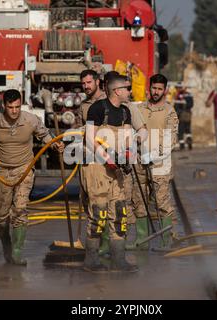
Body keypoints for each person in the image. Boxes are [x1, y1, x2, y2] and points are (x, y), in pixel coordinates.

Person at [0, 89, 64, 266]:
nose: (14, 111)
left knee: (20, 210)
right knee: (0, 216)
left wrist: (54, 144)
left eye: (17, 107)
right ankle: (6, 243)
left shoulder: (31, 120)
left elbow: (45, 135)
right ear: (4, 105)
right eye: (10, 107)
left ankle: (17, 252)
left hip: (24, 169)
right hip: (2, 171)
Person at [81, 75, 138, 272]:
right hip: (98, 169)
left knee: (120, 212)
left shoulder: (125, 112)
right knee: (99, 213)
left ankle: (118, 260)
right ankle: (91, 260)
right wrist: (108, 159)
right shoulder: (97, 109)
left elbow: (128, 137)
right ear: (117, 90)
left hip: (118, 171)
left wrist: (128, 155)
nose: (130, 91)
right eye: (128, 88)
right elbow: (90, 139)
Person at [127, 74, 179, 250]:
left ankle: (166, 240)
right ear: (149, 88)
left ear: (165, 90)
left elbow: (171, 139)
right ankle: (141, 239)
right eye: (153, 88)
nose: (156, 92)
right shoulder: (138, 109)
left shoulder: (169, 112)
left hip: (159, 165)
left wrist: (156, 155)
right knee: (138, 200)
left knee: (161, 202)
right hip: (139, 162)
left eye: (159, 89)